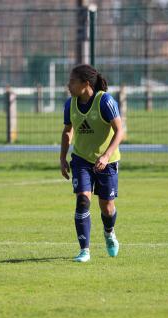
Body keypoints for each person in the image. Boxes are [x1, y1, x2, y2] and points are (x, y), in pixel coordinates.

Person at [60, 64, 124, 262]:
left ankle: (109, 232)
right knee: (82, 201)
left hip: (108, 162)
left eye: (72, 81)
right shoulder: (70, 104)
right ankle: (84, 250)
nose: (68, 85)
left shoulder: (105, 101)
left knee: (106, 207)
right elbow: (68, 131)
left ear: (85, 84)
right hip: (81, 160)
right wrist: (62, 158)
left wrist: (105, 156)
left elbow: (120, 131)